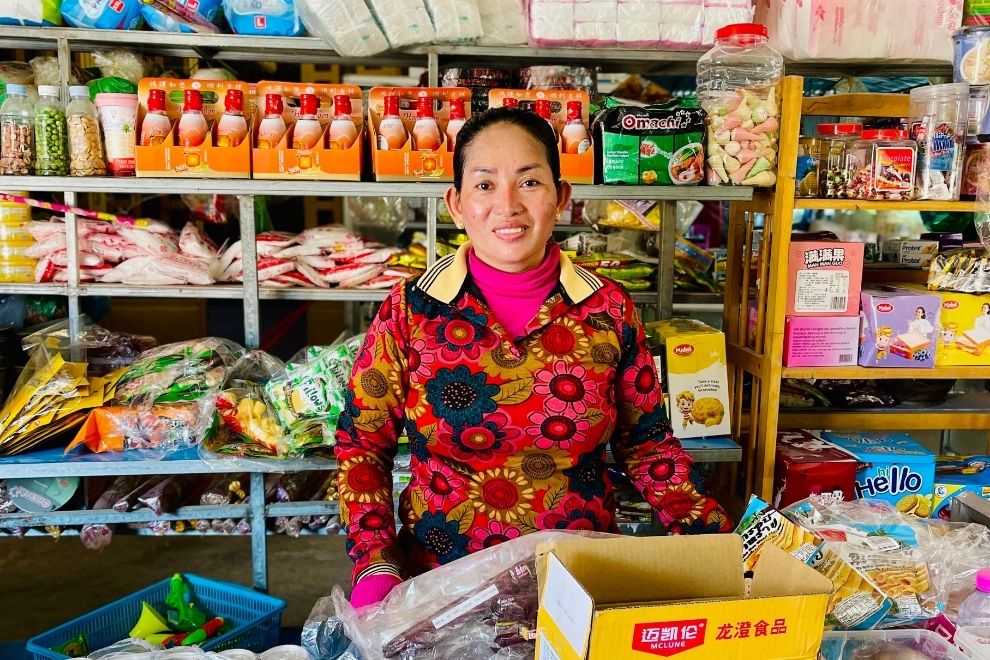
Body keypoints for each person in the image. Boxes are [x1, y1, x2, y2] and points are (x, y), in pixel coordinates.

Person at [334, 107, 732, 609]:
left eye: (529, 181)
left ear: (561, 198)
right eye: (484, 185)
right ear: (455, 204)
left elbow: (649, 445)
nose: (507, 205)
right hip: (442, 588)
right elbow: (361, 444)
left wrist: (714, 541)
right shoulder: (411, 310)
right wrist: (374, 561)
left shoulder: (607, 310)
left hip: (578, 582)